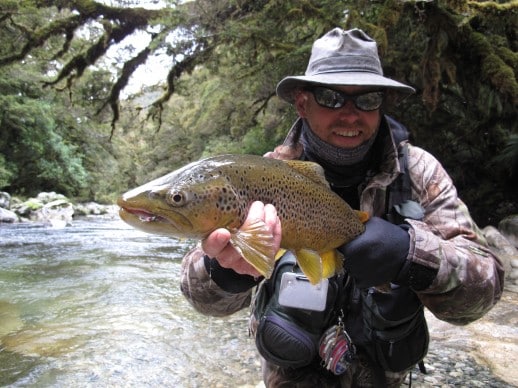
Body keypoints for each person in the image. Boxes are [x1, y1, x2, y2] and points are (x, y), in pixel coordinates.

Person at [180, 28, 504, 387]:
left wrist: (413, 256)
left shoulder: (419, 172)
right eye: (331, 97)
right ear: (303, 103)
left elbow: (484, 291)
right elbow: (202, 300)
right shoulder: (258, 177)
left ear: (381, 105)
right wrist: (225, 271)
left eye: (366, 100)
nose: (350, 115)